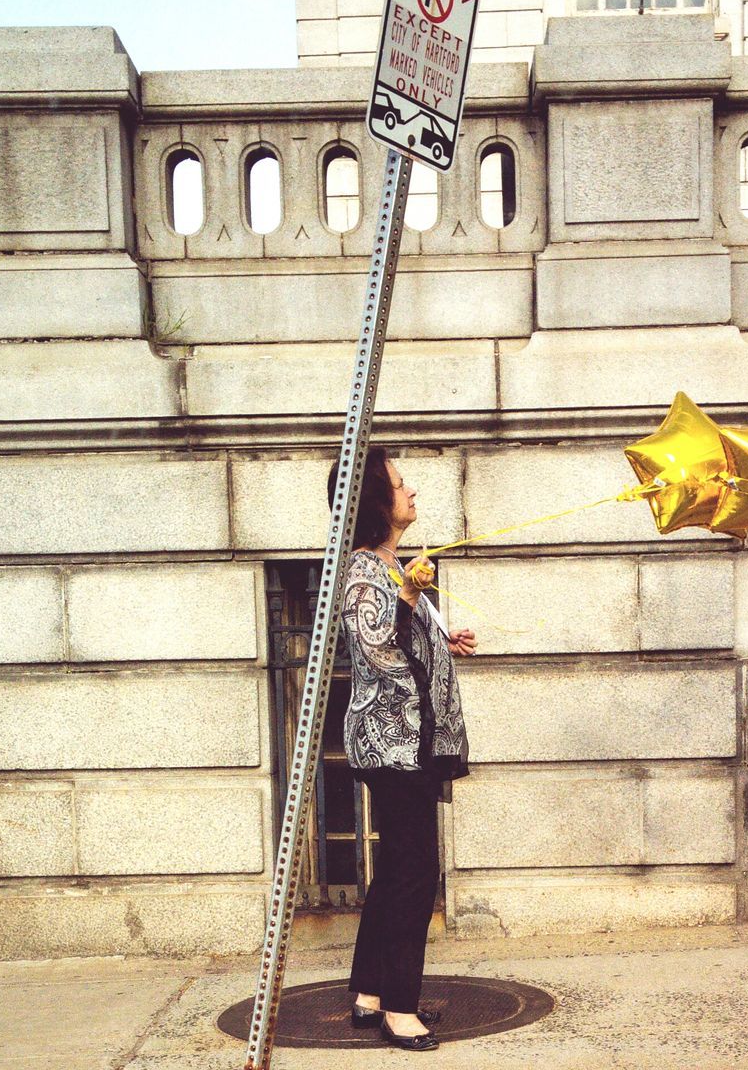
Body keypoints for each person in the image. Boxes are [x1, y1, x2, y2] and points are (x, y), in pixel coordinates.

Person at [326, 448, 475, 1052]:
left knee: (395, 869)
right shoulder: (363, 567)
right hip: (395, 744)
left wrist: (445, 635)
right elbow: (376, 645)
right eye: (398, 483)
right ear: (375, 503)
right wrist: (411, 598)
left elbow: (409, 639)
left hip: (409, 740)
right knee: (416, 872)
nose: (410, 490)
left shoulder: (387, 563)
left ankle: (368, 991)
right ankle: (400, 1009)